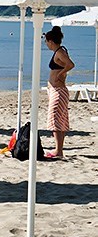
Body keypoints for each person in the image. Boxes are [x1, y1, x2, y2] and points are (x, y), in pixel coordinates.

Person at [45, 26, 74, 158]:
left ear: (51, 41)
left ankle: (58, 150)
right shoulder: (59, 51)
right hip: (56, 90)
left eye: (46, 41)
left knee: (55, 119)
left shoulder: (60, 52)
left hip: (59, 90)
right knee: (60, 119)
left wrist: (60, 74)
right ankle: (59, 150)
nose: (46, 44)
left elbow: (70, 64)